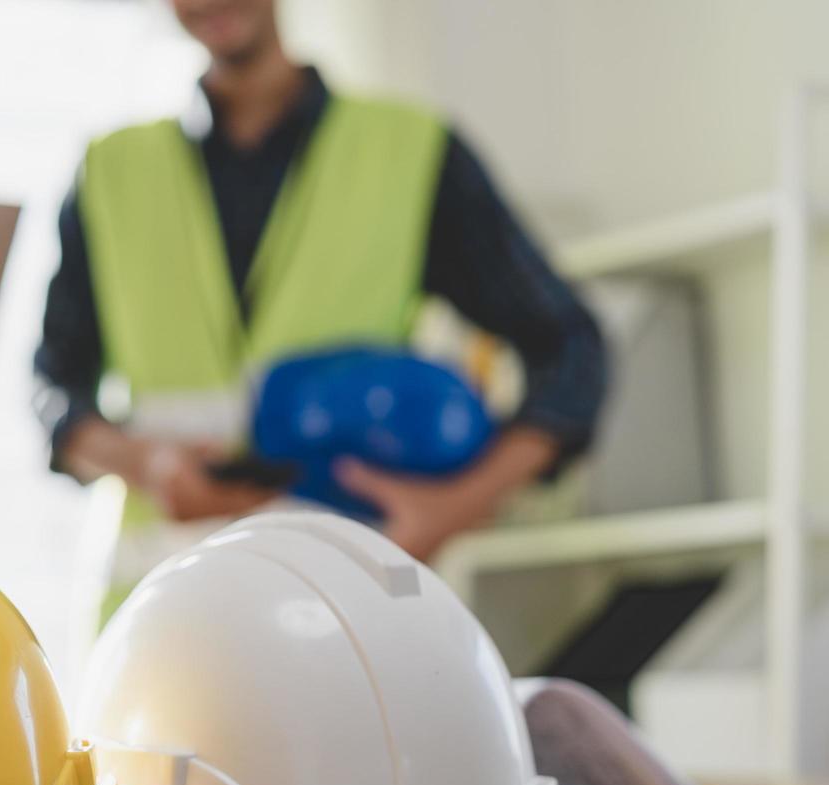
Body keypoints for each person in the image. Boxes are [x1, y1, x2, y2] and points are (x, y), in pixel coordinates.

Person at [34, 0, 607, 615]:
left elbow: (569, 349)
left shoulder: (411, 151)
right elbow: (52, 387)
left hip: (342, 609)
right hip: (158, 617)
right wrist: (143, 461)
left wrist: (457, 505)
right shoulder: (111, 169)